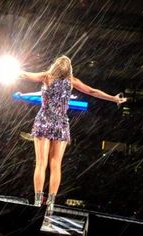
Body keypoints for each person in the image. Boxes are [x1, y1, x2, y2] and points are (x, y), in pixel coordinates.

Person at [19, 55, 127, 214]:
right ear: (69, 69)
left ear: (55, 66)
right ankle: (51, 203)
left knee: (41, 163)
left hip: (44, 120)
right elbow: (92, 91)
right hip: (61, 123)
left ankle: (37, 201)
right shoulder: (72, 81)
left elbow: (24, 75)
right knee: (56, 165)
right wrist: (113, 98)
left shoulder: (46, 76)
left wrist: (8, 70)